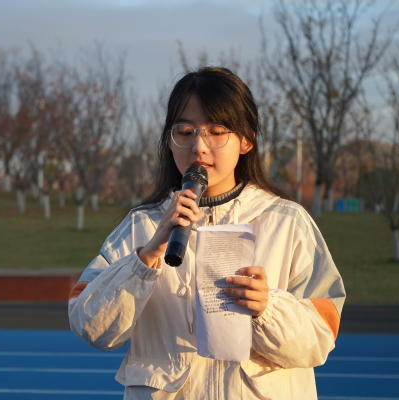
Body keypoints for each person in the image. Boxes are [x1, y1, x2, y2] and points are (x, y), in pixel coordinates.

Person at [68, 67, 345, 399]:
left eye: (216, 131)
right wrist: (146, 257)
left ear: (246, 140)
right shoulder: (140, 226)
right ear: (170, 140)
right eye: (185, 131)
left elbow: (321, 335)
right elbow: (90, 325)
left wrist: (267, 308)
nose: (198, 146)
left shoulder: (287, 222)